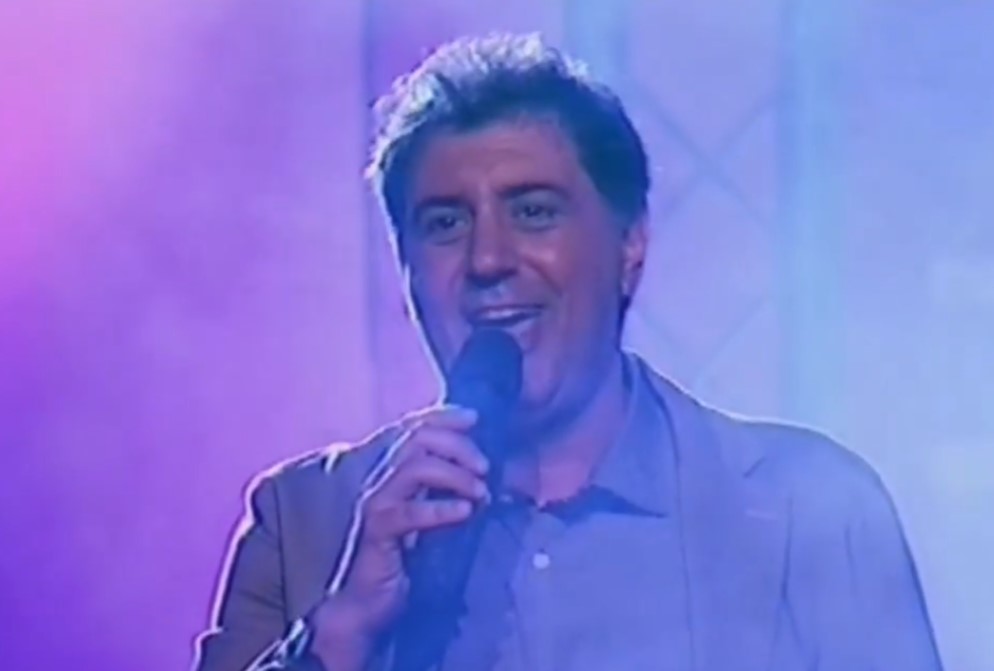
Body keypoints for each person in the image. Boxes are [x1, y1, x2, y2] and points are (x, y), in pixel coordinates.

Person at [192, 33, 943, 671]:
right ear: (406, 270)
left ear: (630, 245)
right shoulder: (304, 523)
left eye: (534, 211)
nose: (488, 258)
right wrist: (342, 630)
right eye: (446, 223)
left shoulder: (804, 513)